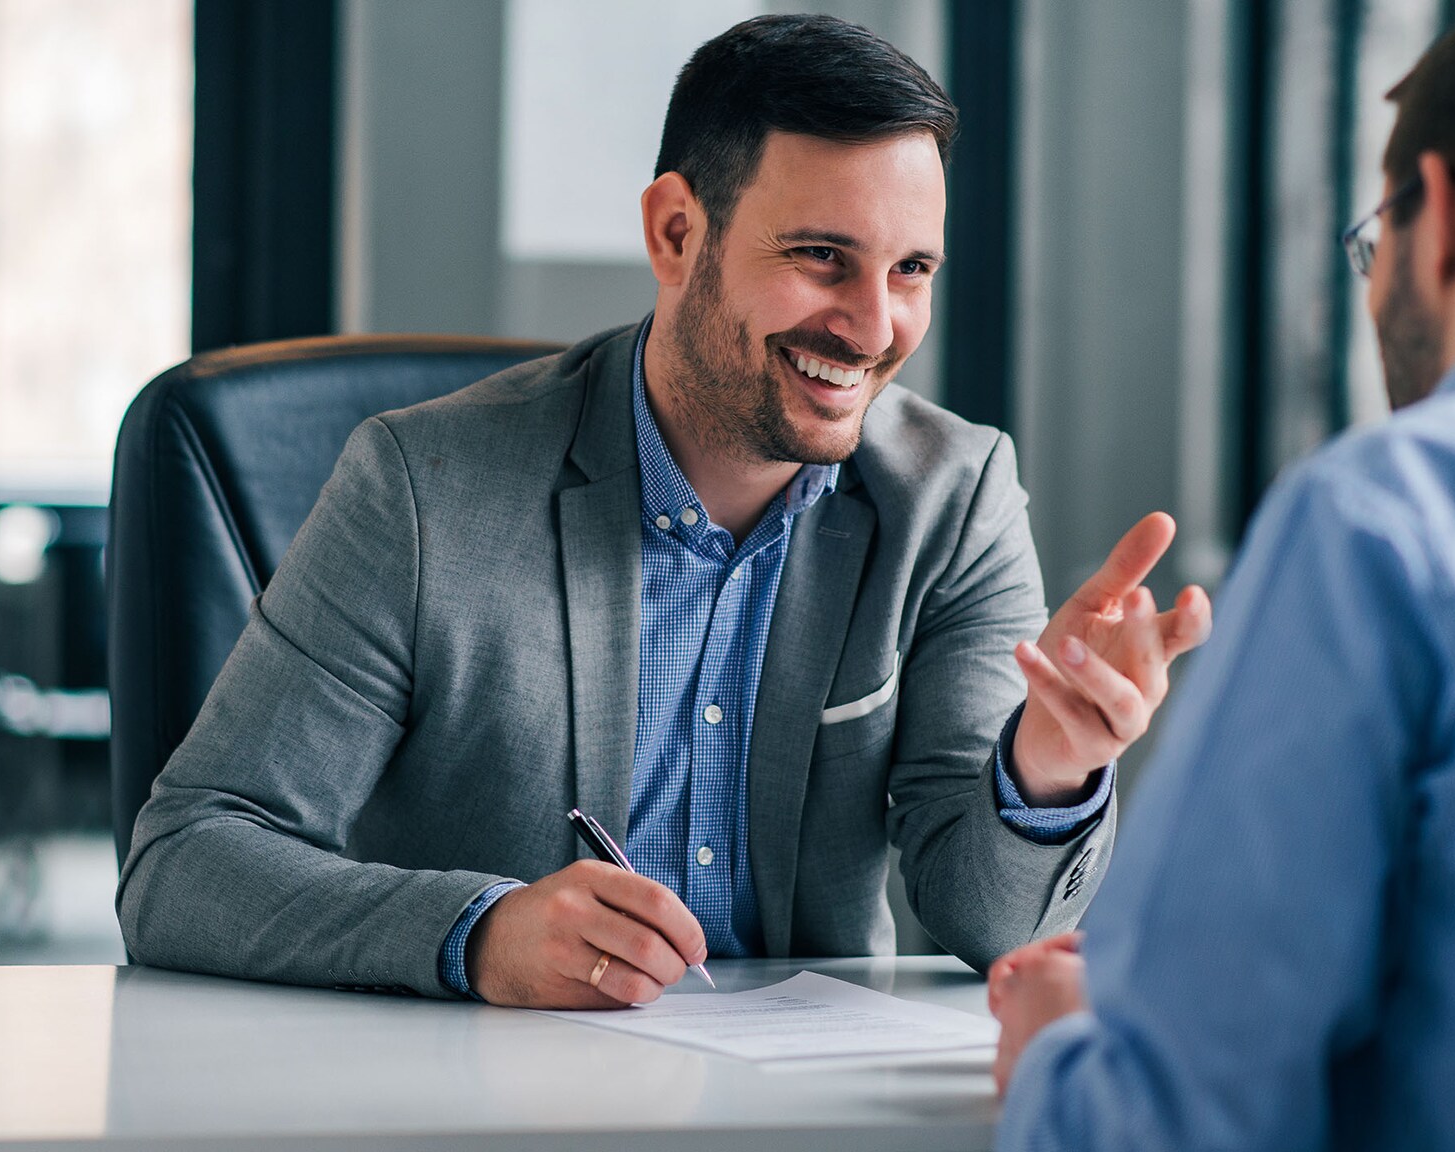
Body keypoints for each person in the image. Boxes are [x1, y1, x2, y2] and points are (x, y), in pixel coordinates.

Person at [118, 14, 1211, 1008]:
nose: (872, 326)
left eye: (910, 269)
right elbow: (185, 862)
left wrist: (1049, 767)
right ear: (676, 233)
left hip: (799, 1117)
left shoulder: (951, 500)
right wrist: (480, 933)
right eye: (820, 257)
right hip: (480, 1106)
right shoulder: (420, 487)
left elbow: (990, 923)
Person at [987, 0, 1455, 1146]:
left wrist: (1056, 1043)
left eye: (1369, 237)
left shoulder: (1389, 516)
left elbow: (1178, 1126)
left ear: (1435, 216)